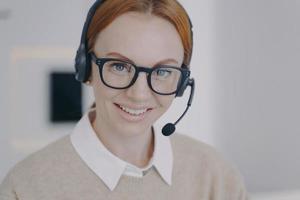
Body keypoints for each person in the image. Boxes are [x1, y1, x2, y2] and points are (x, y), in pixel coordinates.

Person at [0, 0, 248, 199]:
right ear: (86, 68)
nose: (139, 94)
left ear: (182, 83)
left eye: (162, 72)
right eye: (119, 66)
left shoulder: (216, 178)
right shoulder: (25, 188)